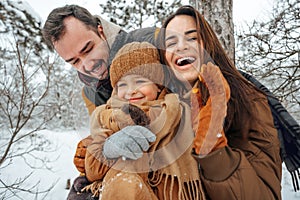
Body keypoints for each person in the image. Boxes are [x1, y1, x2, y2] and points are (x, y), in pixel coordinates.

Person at [157, 5, 282, 199]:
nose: (181, 46)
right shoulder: (163, 109)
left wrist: (213, 150)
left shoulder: (248, 100)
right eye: (171, 42)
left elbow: (266, 194)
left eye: (192, 38)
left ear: (208, 45)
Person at [42, 5, 159, 199]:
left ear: (101, 30)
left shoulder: (151, 42)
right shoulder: (90, 92)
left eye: (88, 49)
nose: (87, 65)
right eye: (74, 61)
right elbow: (101, 132)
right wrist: (98, 148)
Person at [82, 41, 204, 199]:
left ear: (158, 85)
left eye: (140, 81)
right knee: (125, 181)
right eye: (122, 84)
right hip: (129, 192)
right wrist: (109, 148)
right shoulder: (108, 118)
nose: (131, 91)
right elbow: (92, 171)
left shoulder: (178, 113)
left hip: (171, 194)